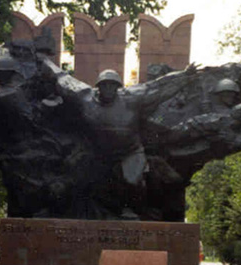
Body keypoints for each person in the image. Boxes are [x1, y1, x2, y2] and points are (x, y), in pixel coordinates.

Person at [43, 62, 198, 219]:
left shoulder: (132, 98)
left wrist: (185, 76)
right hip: (98, 153)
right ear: (99, 87)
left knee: (131, 180)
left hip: (129, 151)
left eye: (112, 85)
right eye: (105, 85)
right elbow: (64, 80)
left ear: (117, 87)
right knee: (73, 179)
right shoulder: (84, 97)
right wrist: (45, 62)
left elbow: (158, 88)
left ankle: (130, 209)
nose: (109, 89)